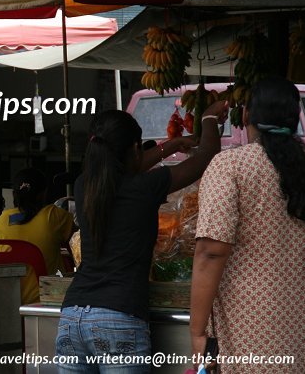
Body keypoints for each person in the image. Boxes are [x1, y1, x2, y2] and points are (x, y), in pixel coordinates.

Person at [55, 101, 227, 372]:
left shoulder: (83, 185)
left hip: (71, 317)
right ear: (135, 149)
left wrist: (169, 146)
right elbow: (206, 157)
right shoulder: (145, 187)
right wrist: (208, 119)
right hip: (118, 318)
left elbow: (128, 165)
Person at [190, 77, 305, 372]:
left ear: (245, 116)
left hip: (250, 335)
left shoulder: (231, 166)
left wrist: (197, 332)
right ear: (295, 120)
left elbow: (211, 251)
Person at [0, 168, 76, 304]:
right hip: (50, 298)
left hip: (10, 300)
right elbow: (78, 243)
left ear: (14, 194)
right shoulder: (53, 216)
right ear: (44, 193)